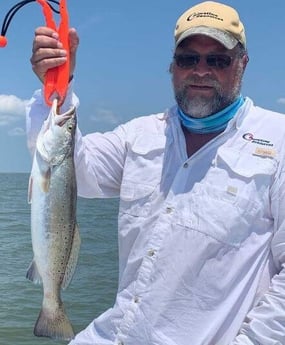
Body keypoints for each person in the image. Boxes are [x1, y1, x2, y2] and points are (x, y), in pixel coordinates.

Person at [26, 1, 285, 344]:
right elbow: (76, 171)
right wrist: (57, 84)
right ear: (173, 66)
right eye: (188, 58)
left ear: (242, 63)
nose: (201, 70)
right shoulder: (139, 134)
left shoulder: (278, 141)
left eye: (218, 60)